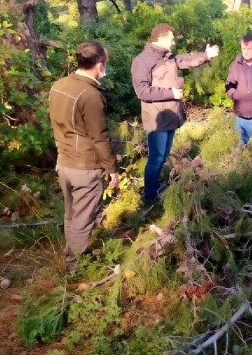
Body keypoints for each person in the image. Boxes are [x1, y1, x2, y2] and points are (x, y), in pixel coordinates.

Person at [49, 41, 119, 275]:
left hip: (64, 164)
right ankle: (75, 269)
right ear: (99, 65)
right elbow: (99, 137)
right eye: (105, 63)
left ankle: (72, 258)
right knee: (82, 220)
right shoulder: (90, 95)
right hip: (84, 167)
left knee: (71, 215)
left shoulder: (58, 85)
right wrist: (112, 169)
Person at [131, 23, 219, 203]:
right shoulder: (142, 60)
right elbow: (141, 91)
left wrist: (205, 55)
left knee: (163, 156)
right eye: (171, 38)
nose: (173, 42)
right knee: (156, 158)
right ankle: (149, 196)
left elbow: (185, 60)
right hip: (157, 119)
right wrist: (170, 93)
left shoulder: (168, 56)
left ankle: (154, 188)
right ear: (161, 37)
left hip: (172, 116)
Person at [225, 33, 252, 146]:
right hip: (240, 118)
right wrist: (234, 94)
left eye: (248, 48)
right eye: (243, 48)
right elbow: (228, 84)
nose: (245, 51)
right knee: (238, 152)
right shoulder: (235, 65)